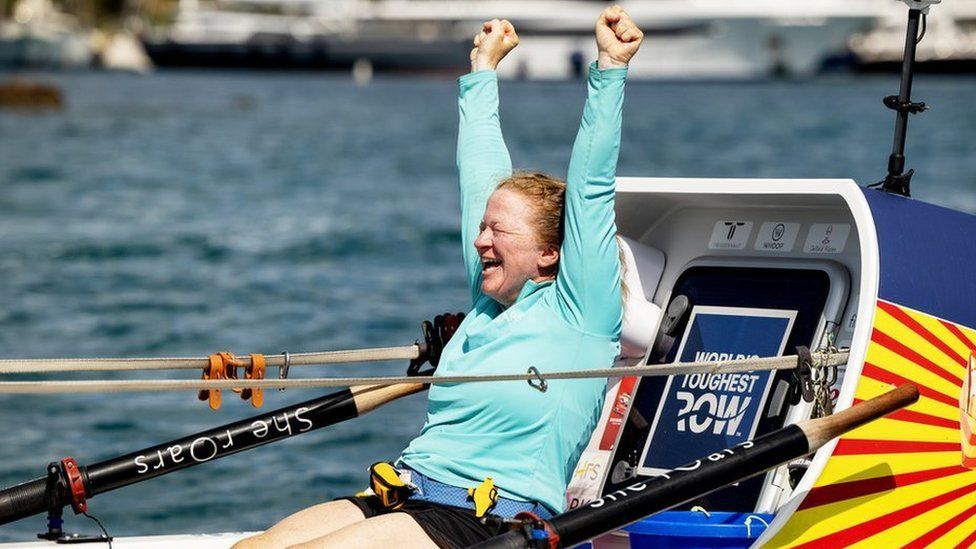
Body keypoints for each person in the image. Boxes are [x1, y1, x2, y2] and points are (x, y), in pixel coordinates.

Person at [234, 6, 643, 548]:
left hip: (486, 520)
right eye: (481, 230)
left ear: (549, 252)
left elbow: (590, 188)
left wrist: (610, 68)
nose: (480, 242)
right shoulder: (488, 301)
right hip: (406, 491)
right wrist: (481, 73)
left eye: (498, 232)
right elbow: (479, 176)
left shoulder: (581, 312)